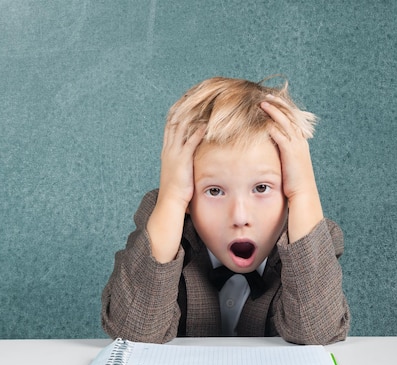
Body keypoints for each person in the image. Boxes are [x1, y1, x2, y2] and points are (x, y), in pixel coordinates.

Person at [101, 76, 350, 345]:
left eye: (262, 188)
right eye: (215, 191)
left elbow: (316, 333)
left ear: (289, 193)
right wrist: (171, 198)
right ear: (188, 198)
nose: (240, 218)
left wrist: (304, 191)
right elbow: (133, 333)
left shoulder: (310, 238)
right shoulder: (164, 225)